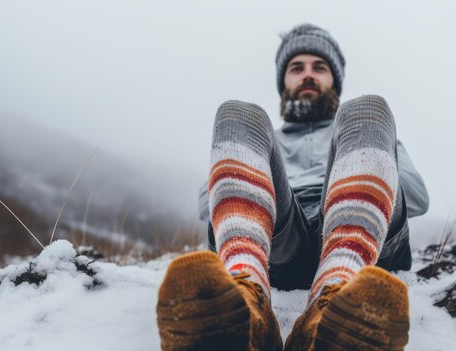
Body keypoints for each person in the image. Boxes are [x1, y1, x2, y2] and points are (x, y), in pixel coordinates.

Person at [156, 24, 429, 351]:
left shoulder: (366, 131)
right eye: (297, 68)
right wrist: (274, 180)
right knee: (239, 113)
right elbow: (207, 203)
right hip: (280, 240)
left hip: (365, 239)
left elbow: (417, 197)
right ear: (284, 81)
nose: (308, 75)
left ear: (334, 80)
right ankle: (247, 301)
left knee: (369, 107)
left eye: (320, 67)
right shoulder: (263, 140)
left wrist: (363, 160)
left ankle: (336, 295)